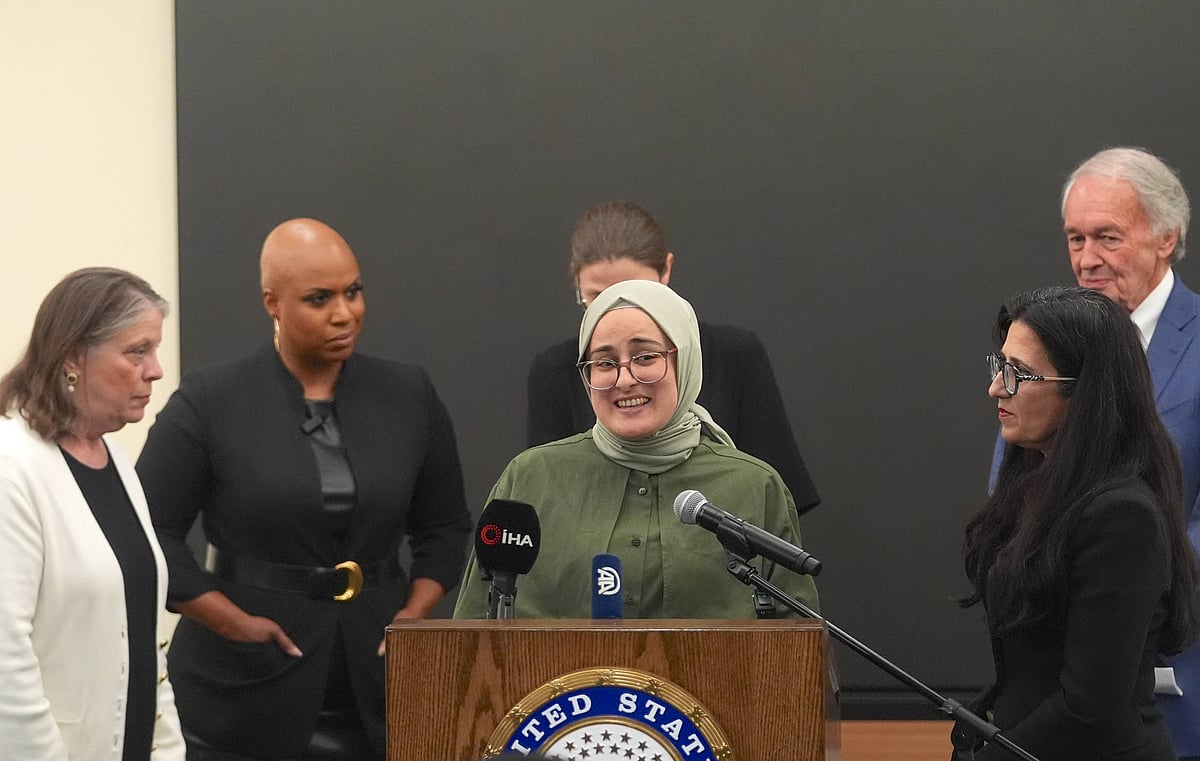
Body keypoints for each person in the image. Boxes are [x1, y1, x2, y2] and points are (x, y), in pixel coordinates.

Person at [136, 218, 472, 761]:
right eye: (319, 299)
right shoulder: (211, 399)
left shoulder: (409, 394)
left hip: (381, 676)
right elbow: (149, 532)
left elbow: (445, 528)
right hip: (239, 687)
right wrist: (230, 620)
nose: (345, 312)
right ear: (272, 302)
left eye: (353, 291)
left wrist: (414, 620)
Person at [988, 147, 1200, 759]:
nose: (1087, 259)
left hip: (1177, 675)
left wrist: (1131, 581)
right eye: (1075, 239)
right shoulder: (1044, 349)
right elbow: (1016, 484)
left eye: (1107, 236)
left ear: (1167, 238)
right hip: (1051, 692)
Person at [456, 279, 819, 619]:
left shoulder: (754, 486)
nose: (625, 379)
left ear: (684, 361)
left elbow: (795, 650)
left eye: (645, 357)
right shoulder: (530, 478)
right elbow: (469, 637)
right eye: (604, 363)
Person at [960, 286, 1198, 761]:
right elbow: (1029, 674)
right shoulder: (1032, 493)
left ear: (1084, 391)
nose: (996, 388)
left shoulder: (1122, 516)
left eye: (1020, 374)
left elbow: (1090, 710)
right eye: (999, 365)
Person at [526, 200, 821, 514]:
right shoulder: (555, 370)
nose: (617, 310)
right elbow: (545, 502)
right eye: (598, 297)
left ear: (666, 269)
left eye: (648, 358)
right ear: (577, 286)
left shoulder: (735, 353)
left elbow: (777, 502)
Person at [0, 267, 185, 760]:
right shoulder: (12, 465)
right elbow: (5, 656)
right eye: (137, 351)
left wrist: (167, 749)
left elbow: (144, 635)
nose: (156, 370)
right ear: (73, 359)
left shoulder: (116, 462)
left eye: (155, 349)